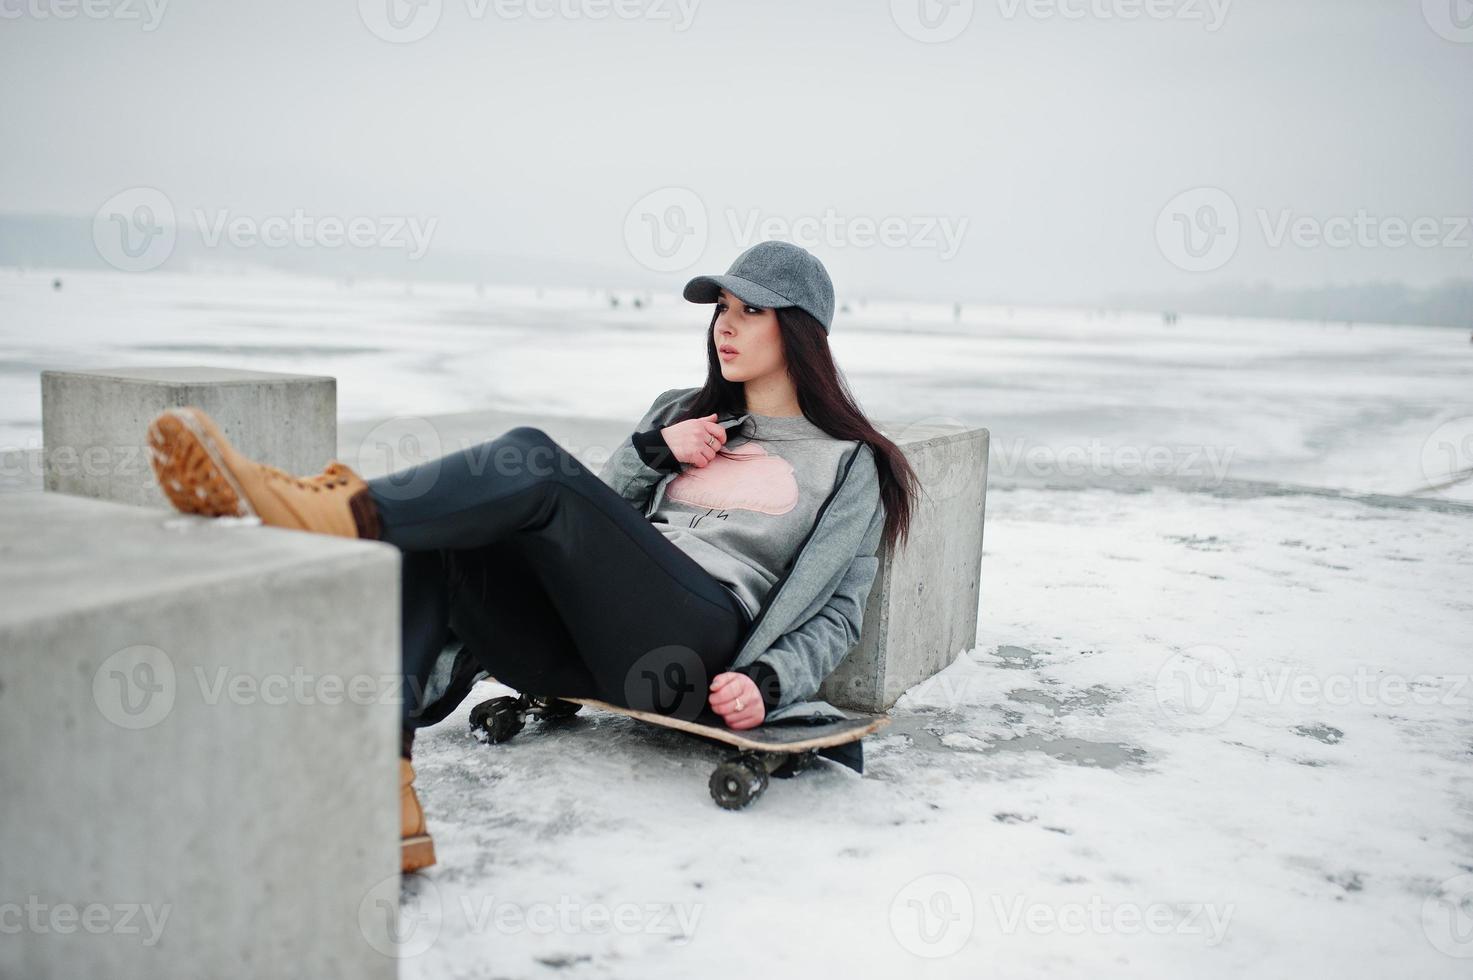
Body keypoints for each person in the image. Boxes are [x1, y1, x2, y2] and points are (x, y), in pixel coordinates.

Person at [145, 240, 918, 873]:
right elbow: (597, 516)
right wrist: (653, 452)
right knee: (441, 535)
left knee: (531, 457)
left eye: (751, 311)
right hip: (592, 644)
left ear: (801, 332)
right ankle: (385, 787)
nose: (726, 325)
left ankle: (341, 511)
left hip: (694, 650)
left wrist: (769, 678)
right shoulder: (679, 416)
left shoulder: (849, 462)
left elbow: (839, 610)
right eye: (722, 308)